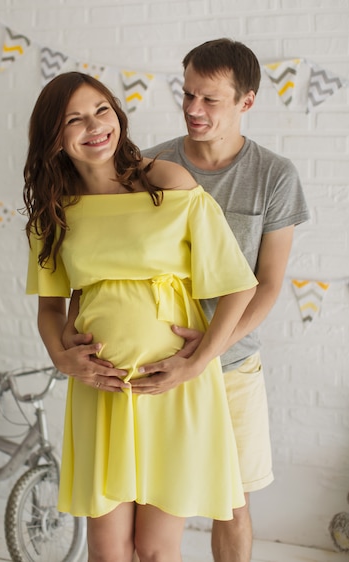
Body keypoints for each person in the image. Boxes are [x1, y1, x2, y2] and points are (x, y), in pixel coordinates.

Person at [23, 71, 258, 562]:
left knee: (154, 550)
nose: (94, 126)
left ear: (118, 114)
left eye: (102, 110)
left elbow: (238, 284)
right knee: (108, 553)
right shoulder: (55, 211)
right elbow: (50, 306)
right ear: (55, 138)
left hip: (171, 387)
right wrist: (62, 359)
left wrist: (196, 363)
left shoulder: (167, 182)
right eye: (74, 119)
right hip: (100, 388)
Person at [134, 38, 310, 562]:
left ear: (246, 102)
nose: (192, 109)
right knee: (154, 500)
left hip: (232, 366)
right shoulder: (148, 166)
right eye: (187, 94)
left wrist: (205, 353)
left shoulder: (274, 176)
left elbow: (268, 283)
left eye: (210, 99)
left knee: (231, 502)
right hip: (157, 362)